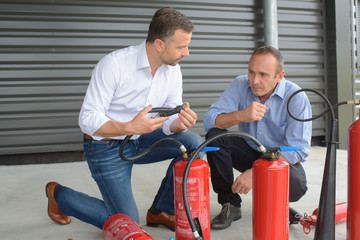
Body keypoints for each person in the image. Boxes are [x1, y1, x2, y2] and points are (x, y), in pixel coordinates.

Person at [45, 7, 203, 232]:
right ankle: (59, 196)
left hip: (142, 137)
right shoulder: (114, 64)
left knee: (192, 144)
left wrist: (178, 123)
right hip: (105, 146)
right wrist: (129, 126)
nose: (186, 52)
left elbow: (168, 120)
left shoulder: (172, 70)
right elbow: (87, 118)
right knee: (128, 224)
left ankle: (161, 210)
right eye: (182, 46)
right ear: (159, 44)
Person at [203, 46, 312, 229]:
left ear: (279, 76)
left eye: (263, 74)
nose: (254, 80)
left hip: (278, 158)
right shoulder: (240, 84)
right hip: (248, 150)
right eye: (251, 72)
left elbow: (299, 149)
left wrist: (257, 173)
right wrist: (241, 115)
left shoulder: (296, 97)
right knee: (215, 138)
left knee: (297, 185)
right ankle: (230, 204)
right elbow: (209, 121)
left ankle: (279, 203)